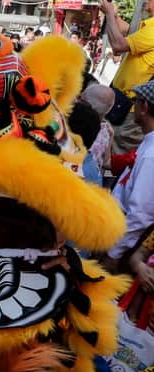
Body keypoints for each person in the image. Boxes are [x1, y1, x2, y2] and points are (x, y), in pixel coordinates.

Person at [100, 81, 154, 274]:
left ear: (144, 107)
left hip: (120, 238)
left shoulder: (151, 155)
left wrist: (113, 253)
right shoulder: (148, 143)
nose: (134, 106)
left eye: (136, 101)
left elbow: (140, 214)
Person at [101, 0, 154, 154]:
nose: (145, 2)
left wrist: (110, 15)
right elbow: (127, 31)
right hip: (124, 104)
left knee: (118, 157)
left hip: (131, 109)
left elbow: (118, 45)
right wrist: (114, 15)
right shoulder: (148, 27)